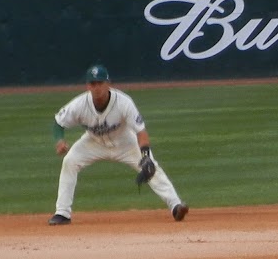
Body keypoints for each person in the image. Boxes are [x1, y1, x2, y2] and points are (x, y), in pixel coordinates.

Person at [48, 64, 188, 225]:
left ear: (108, 83)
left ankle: (175, 206)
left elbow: (140, 131)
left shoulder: (123, 102)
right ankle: (62, 213)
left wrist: (145, 156)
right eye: (93, 84)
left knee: (150, 166)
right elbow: (59, 122)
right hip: (93, 142)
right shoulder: (79, 104)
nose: (97, 87)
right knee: (70, 161)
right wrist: (59, 140)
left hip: (125, 143)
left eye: (100, 83)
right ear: (88, 86)